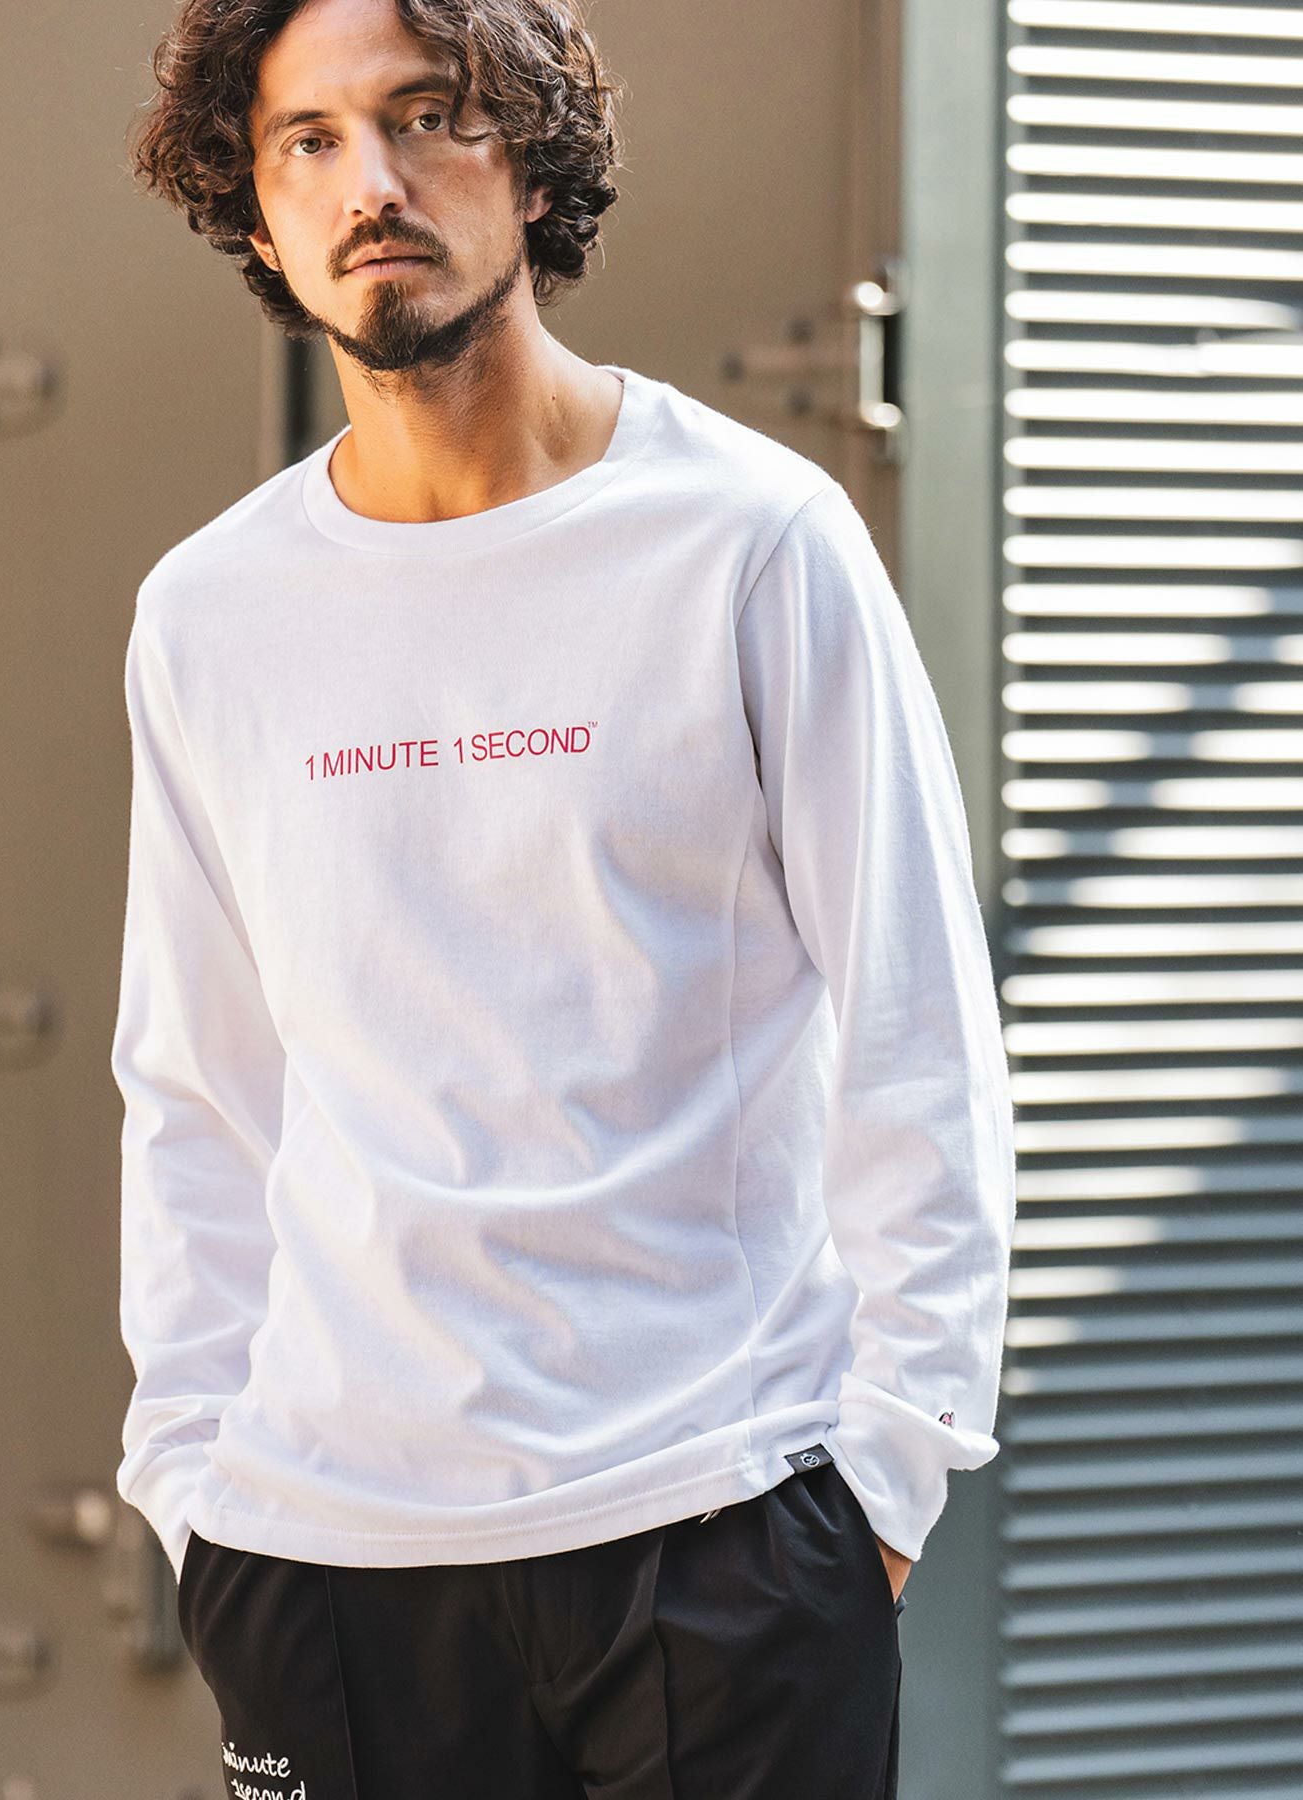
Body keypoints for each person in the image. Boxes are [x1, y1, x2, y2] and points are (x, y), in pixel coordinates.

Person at [110, 0, 1017, 1795]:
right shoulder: (208, 615)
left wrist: (886, 1487)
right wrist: (192, 1484)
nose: (371, 183)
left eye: (427, 116)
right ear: (257, 209)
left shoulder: (752, 539)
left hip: (721, 1536)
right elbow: (197, 1093)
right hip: (324, 1555)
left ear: (530, 159)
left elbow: (920, 1034)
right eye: (309, 141)